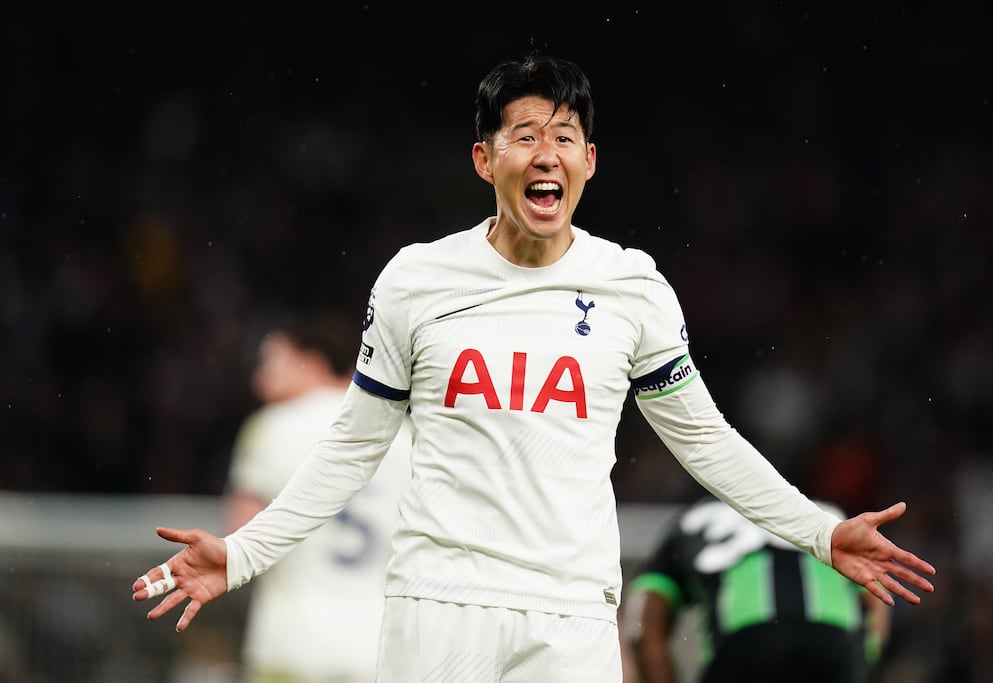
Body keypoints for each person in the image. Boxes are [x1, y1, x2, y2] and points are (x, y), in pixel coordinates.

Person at [132, 52, 935, 683]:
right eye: (524, 135)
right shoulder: (416, 278)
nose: (545, 153)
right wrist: (243, 552)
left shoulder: (633, 286)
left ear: (590, 159)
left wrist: (820, 533)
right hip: (439, 602)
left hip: (572, 611)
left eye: (563, 137)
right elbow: (353, 445)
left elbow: (707, 442)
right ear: (485, 160)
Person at [222, 311, 412, 682]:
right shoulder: (405, 435)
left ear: (313, 360)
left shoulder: (272, 427)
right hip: (375, 643)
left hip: (290, 640)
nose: (260, 378)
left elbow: (239, 536)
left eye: (272, 362)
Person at [620, 497, 891, 683]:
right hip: (837, 641)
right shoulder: (822, 511)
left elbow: (641, 628)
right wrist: (862, 661)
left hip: (745, 645)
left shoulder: (689, 522)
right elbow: (875, 596)